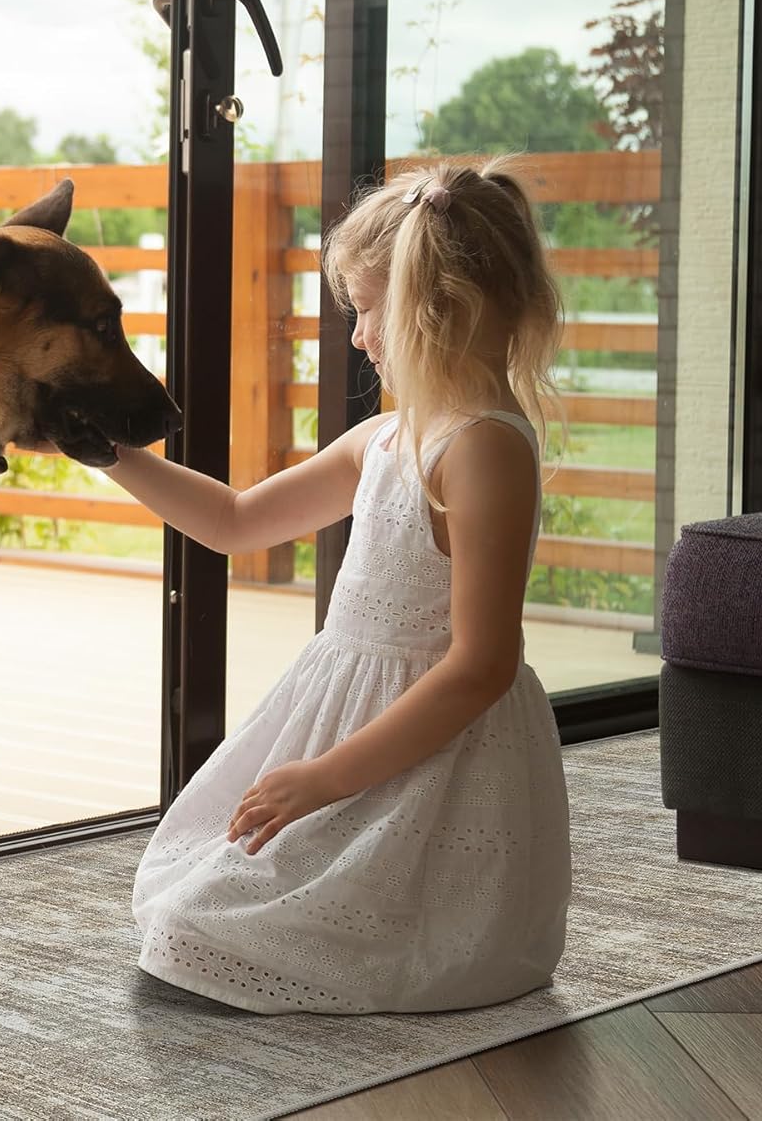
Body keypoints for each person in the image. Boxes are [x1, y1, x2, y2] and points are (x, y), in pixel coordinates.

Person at [115, 160, 570, 1014]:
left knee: (197, 929)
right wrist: (109, 453)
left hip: (434, 759)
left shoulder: (482, 449)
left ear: (439, 310)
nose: (358, 337)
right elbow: (237, 521)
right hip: (348, 724)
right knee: (184, 899)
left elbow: (480, 667)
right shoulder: (387, 436)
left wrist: (323, 779)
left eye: (366, 310)